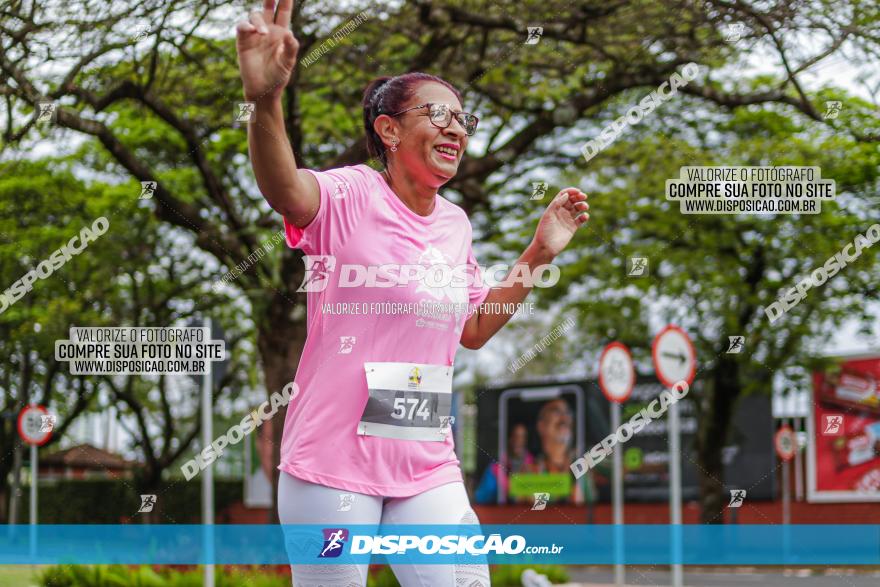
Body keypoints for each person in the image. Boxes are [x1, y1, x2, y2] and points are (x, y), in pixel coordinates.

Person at [235, 1, 590, 585]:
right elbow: (287, 191)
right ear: (389, 129)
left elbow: (473, 329)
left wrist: (538, 255)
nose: (455, 127)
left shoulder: (456, 224)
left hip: (425, 462)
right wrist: (267, 99)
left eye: (461, 119)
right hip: (331, 465)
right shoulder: (351, 195)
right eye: (437, 114)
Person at [475, 423, 534, 504]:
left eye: (522, 437)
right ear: (510, 438)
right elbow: (481, 497)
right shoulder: (497, 465)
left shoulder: (530, 461)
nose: (519, 440)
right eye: (516, 436)